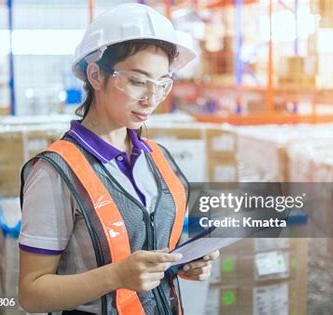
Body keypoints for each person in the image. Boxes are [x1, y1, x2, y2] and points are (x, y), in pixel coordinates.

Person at [18, 3, 218, 314]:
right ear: (96, 75)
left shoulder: (158, 159)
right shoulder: (55, 171)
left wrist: (180, 264)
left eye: (162, 83)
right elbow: (32, 294)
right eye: (138, 81)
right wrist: (115, 276)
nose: (151, 99)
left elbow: (147, 248)